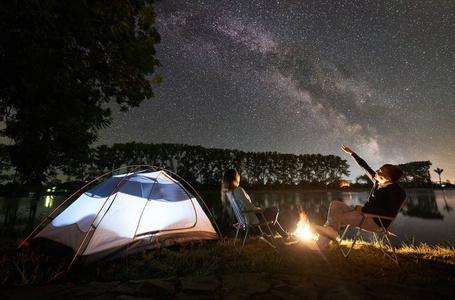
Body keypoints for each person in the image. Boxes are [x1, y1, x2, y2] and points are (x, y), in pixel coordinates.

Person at [315, 144, 406, 250]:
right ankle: (329, 235)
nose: (376, 171)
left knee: (336, 218)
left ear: (387, 178)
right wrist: (352, 153)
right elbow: (365, 167)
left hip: (377, 222)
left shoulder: (396, 192)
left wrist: (363, 209)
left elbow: (390, 213)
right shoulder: (377, 181)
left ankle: (320, 245)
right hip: (364, 214)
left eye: (380, 171)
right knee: (335, 205)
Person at [222, 168, 298, 246]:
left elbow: (246, 206)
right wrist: (259, 209)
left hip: (244, 219)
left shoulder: (230, 193)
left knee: (272, 217)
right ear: (234, 177)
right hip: (251, 218)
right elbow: (249, 207)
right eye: (237, 174)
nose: (239, 175)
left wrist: (258, 209)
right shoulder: (238, 190)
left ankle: (280, 236)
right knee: (275, 209)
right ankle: (270, 235)